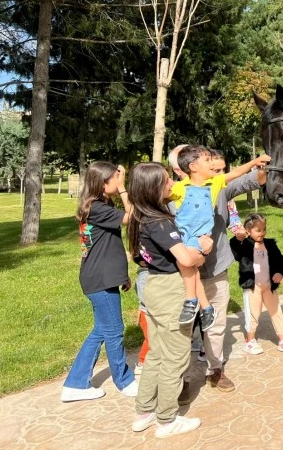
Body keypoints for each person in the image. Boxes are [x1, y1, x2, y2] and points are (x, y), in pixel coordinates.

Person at [169, 144, 268, 393]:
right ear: (182, 169)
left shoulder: (216, 187)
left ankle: (215, 370)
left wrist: (261, 170)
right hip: (182, 274)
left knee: (217, 325)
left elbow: (246, 181)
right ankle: (179, 381)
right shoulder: (171, 196)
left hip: (216, 269)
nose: (214, 166)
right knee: (182, 331)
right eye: (208, 162)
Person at [128, 162, 205, 438]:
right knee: (175, 357)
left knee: (157, 353)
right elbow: (185, 258)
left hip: (153, 287)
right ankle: (166, 419)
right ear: (151, 188)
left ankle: (144, 411)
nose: (172, 184)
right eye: (165, 181)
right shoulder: (158, 221)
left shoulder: (139, 217)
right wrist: (202, 253)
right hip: (170, 289)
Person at [61, 162, 139, 402]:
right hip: (100, 279)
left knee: (101, 330)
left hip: (103, 276)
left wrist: (121, 275)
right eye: (115, 178)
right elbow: (132, 218)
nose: (118, 182)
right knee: (114, 331)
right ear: (104, 182)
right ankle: (124, 381)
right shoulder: (96, 207)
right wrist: (125, 189)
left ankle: (75, 383)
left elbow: (106, 245)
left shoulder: (99, 204)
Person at [230, 213, 283, 355]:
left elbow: (279, 260)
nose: (262, 233)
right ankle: (250, 341)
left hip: (269, 287)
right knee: (253, 314)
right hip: (252, 287)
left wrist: (279, 273)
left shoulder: (270, 244)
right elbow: (235, 254)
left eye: (264, 229)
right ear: (248, 231)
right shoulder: (244, 245)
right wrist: (237, 239)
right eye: (258, 230)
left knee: (276, 311)